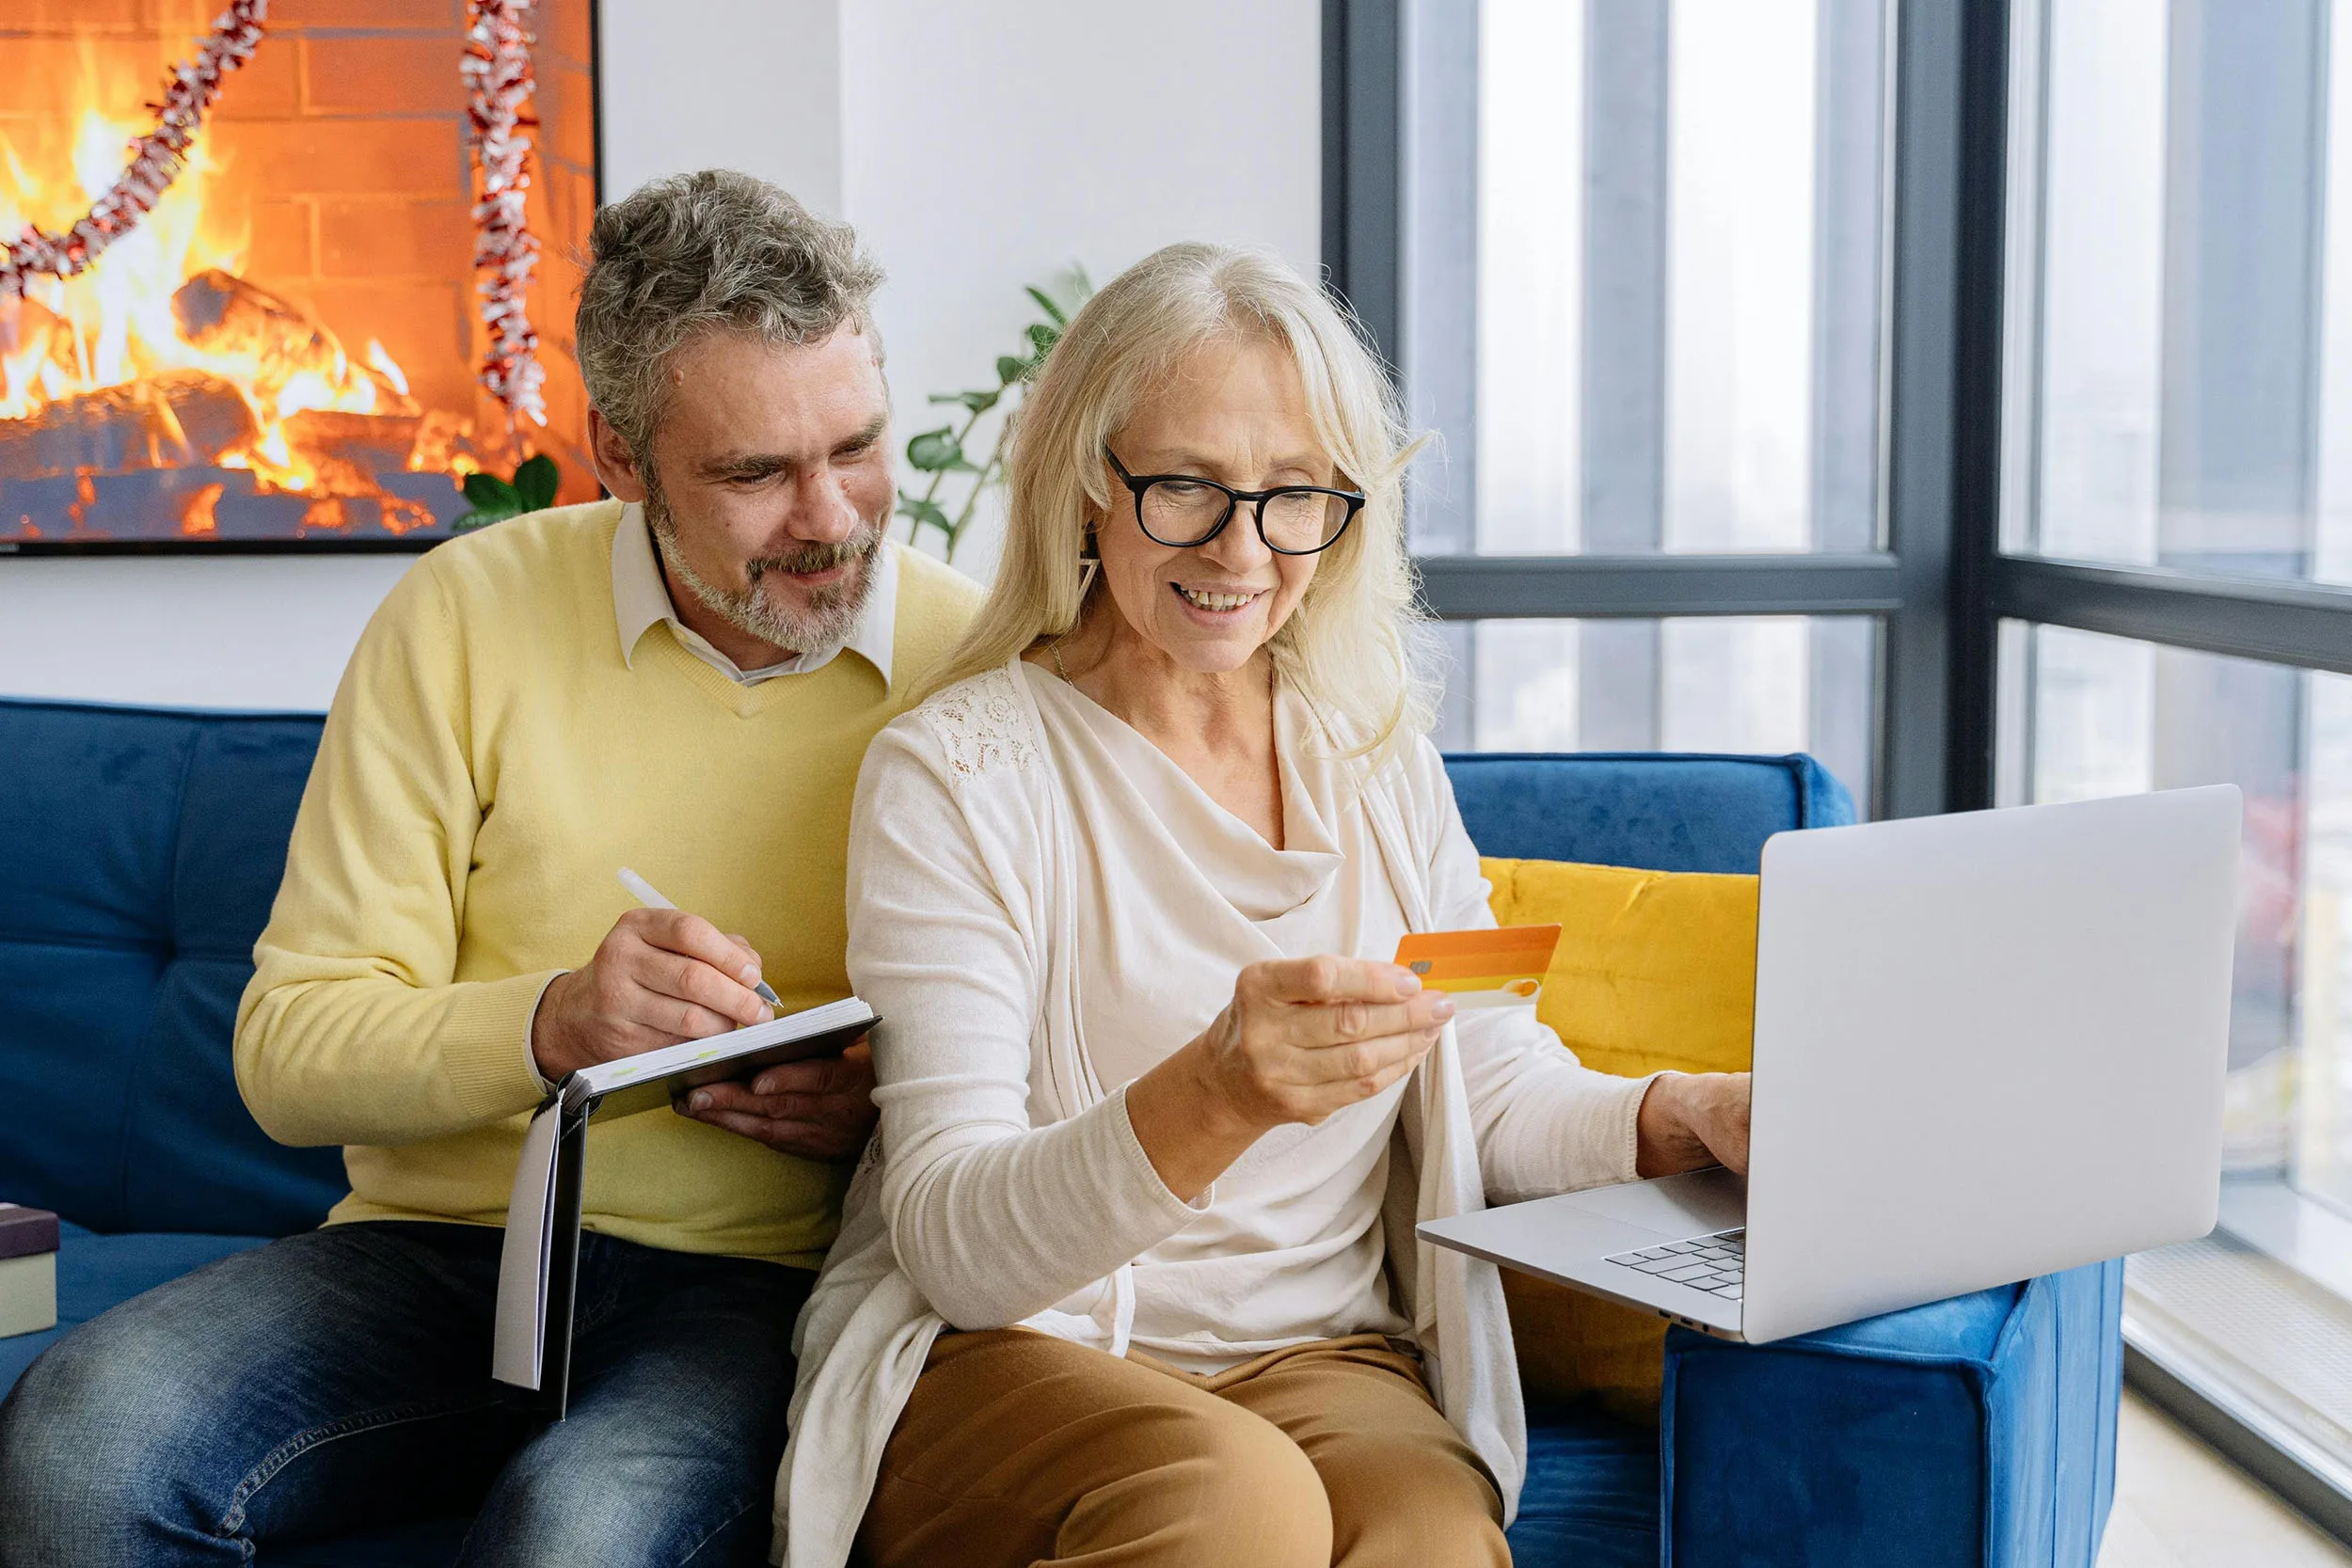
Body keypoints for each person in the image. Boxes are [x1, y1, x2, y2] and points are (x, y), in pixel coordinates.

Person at [0, 170, 980, 1567]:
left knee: (570, 1536)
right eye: (755, 473)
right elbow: (287, 1053)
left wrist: (879, 1108)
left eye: (860, 446)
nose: (831, 518)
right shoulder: (463, 615)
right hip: (437, 1258)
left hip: (763, 1288)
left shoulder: (979, 659)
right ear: (622, 457)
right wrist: (554, 1020)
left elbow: (1045, 1078)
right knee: (74, 1442)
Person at [773, 241, 1752, 1568]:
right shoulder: (959, 772)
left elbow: (1493, 1079)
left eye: (1297, 495)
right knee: (1236, 1504)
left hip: (1324, 1347)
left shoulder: (1372, 753)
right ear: (1085, 485)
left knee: (1430, 1533)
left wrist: (1675, 1110)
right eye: (1186, 489)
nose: (1244, 549)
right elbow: (953, 1241)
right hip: (1012, 1351)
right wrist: (1219, 1090)